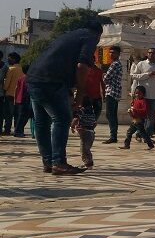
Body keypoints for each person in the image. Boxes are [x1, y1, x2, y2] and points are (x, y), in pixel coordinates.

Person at [26, 20, 102, 174]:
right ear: (99, 34)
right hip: (51, 81)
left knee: (42, 122)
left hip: (33, 77)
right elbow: (82, 66)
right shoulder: (90, 37)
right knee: (61, 119)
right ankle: (59, 162)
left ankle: (48, 161)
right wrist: (80, 94)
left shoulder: (69, 35)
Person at [130, 48, 155, 139]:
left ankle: (146, 136)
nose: (151, 55)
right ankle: (139, 133)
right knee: (141, 116)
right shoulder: (141, 64)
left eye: (153, 53)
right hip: (143, 95)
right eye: (149, 53)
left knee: (151, 117)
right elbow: (133, 76)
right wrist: (149, 74)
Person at [120, 86, 155, 150]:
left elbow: (145, 110)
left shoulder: (144, 101)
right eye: (136, 93)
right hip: (135, 120)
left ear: (143, 94)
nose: (137, 95)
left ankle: (150, 145)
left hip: (140, 120)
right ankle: (127, 145)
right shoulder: (135, 100)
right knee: (130, 132)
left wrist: (136, 110)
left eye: (139, 93)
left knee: (143, 133)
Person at [102, 46, 123, 144]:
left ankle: (113, 136)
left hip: (112, 91)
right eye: (110, 52)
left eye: (113, 52)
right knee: (112, 115)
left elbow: (106, 78)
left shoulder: (115, 64)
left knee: (110, 114)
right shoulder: (118, 64)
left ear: (118, 54)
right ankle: (113, 135)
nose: (111, 54)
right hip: (115, 92)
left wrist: (104, 76)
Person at [71, 97, 97, 169]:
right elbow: (95, 123)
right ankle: (89, 163)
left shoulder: (82, 110)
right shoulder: (91, 112)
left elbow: (76, 119)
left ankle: (88, 164)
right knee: (87, 149)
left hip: (85, 133)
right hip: (91, 133)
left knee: (83, 150)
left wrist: (72, 126)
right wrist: (90, 128)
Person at [2, 52, 23, 135]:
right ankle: (18, 130)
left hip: (9, 94)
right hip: (18, 95)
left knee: (8, 114)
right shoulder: (21, 69)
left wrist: (4, 89)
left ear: (14, 59)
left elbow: (7, 83)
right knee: (17, 114)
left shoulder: (11, 69)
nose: (8, 60)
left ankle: (7, 130)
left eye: (9, 58)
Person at [13, 65, 31, 138]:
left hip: (19, 99)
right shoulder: (29, 79)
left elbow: (16, 89)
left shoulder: (20, 78)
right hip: (25, 99)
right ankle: (18, 131)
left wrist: (15, 99)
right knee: (24, 116)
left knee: (21, 116)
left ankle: (19, 131)